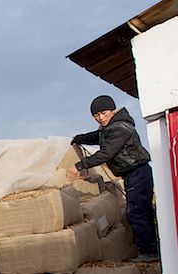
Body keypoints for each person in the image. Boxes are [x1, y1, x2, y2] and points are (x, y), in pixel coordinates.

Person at [67, 94, 159, 262]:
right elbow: (96, 136)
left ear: (112, 110)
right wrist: (78, 139)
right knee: (139, 211)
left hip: (139, 172)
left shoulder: (120, 128)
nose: (100, 118)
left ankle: (150, 253)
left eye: (103, 113)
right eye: (96, 116)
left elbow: (107, 152)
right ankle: (151, 249)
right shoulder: (108, 128)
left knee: (137, 212)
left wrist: (78, 166)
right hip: (132, 174)